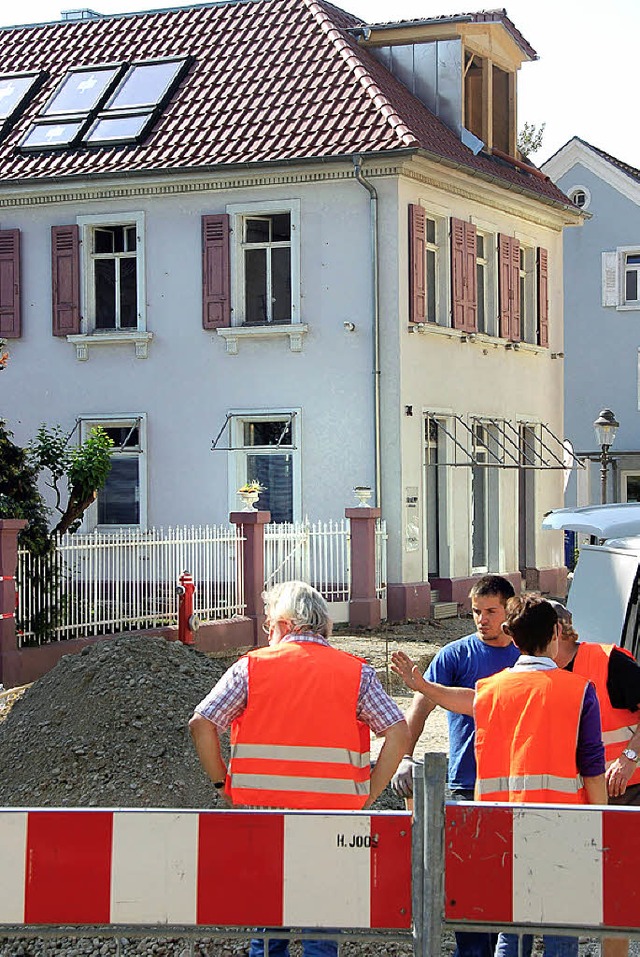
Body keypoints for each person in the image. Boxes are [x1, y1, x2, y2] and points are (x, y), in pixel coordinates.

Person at [189, 579, 409, 957]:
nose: (267, 635)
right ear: (322, 625)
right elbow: (399, 733)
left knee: (267, 927)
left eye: (269, 627)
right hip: (331, 819)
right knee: (321, 928)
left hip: (263, 817)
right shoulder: (355, 672)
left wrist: (220, 783)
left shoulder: (251, 668)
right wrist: (370, 791)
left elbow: (201, 723)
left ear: (284, 624)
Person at [392, 595, 607, 957]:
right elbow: (592, 768)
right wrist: (603, 826)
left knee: (510, 928)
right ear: (557, 632)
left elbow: (464, 700)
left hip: (499, 826)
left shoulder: (490, 690)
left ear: (512, 633)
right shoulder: (579, 691)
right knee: (562, 928)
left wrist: (426, 687)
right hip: (565, 825)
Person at [391, 575, 520, 957]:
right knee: (469, 884)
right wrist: (405, 757)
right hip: (465, 782)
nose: (481, 619)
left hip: (515, 782)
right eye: (477, 611)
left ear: (509, 609)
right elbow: (422, 705)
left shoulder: (525, 655)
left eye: (491, 611)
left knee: (509, 883)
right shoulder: (455, 654)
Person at [549, 600, 640, 957]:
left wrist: (630, 757)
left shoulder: (608, 661)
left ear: (556, 631)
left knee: (614, 890)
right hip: (573, 796)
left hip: (625, 792)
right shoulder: (535, 671)